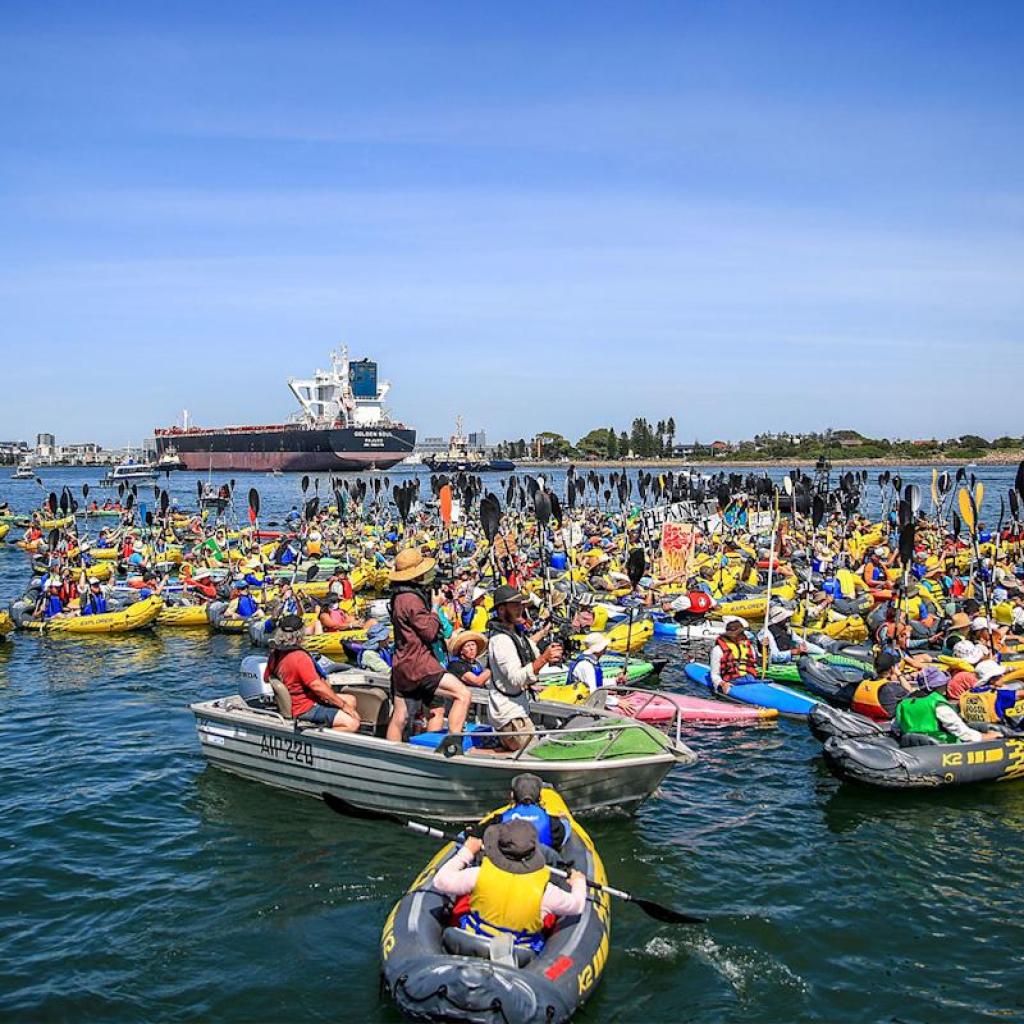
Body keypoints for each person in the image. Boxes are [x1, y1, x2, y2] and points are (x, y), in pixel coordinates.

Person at [433, 819, 586, 953]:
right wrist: (578, 882)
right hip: (517, 955)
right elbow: (577, 906)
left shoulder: (478, 874)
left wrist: (467, 852)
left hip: (469, 943)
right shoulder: (546, 891)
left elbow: (440, 881)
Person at [386, 547, 471, 742]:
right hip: (419, 664)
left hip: (402, 663)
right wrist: (435, 607)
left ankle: (392, 755)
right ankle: (453, 745)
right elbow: (430, 632)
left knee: (400, 716)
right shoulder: (412, 600)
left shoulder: (398, 597)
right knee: (462, 694)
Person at [486, 585, 563, 750]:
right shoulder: (501, 640)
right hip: (511, 717)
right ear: (501, 610)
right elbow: (516, 679)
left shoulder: (514, 634)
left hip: (517, 711)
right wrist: (544, 658)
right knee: (532, 753)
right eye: (515, 605)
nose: (520, 609)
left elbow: (529, 646)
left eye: (521, 605)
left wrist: (544, 632)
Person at [263, 614, 360, 731]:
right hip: (305, 707)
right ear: (300, 634)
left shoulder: (275, 655)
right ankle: (320, 742)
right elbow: (317, 686)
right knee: (351, 723)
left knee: (351, 699)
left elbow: (266, 678)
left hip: (295, 703)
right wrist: (343, 706)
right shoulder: (300, 657)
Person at [468, 774, 571, 852]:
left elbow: (477, 833)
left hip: (507, 862)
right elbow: (559, 838)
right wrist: (562, 819)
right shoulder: (551, 822)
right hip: (539, 862)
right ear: (539, 797)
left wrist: (469, 830)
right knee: (566, 824)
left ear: (512, 795)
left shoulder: (499, 820)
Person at [894, 671, 1000, 744]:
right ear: (939, 686)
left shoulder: (904, 702)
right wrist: (985, 737)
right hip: (942, 748)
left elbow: (895, 727)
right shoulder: (938, 704)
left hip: (913, 747)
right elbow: (961, 732)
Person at [758, 604, 825, 663]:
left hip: (788, 660)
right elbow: (774, 656)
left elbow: (803, 643)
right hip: (772, 663)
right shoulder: (766, 633)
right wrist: (793, 652)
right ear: (778, 619)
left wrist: (822, 652)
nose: (788, 619)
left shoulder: (787, 630)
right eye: (785, 618)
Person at [709, 617, 758, 694]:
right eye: (738, 634)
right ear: (731, 636)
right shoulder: (718, 650)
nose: (742, 636)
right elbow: (715, 674)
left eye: (742, 633)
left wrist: (764, 646)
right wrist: (721, 683)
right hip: (732, 681)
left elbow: (756, 663)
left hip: (751, 679)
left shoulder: (749, 647)